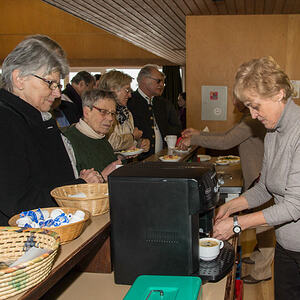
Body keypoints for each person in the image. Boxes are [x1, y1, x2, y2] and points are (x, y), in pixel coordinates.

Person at [212, 56, 300, 299]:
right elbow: (265, 188)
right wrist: (231, 207)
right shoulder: (273, 131)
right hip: (286, 244)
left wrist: (238, 224)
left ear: (279, 94)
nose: (252, 114)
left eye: (255, 105)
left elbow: (294, 205)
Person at [0, 36, 101, 225]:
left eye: (58, 85)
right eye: (50, 83)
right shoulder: (5, 120)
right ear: (19, 78)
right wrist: (79, 188)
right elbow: (18, 202)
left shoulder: (36, 116)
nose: (57, 94)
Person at [178, 97, 274, 283]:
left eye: (236, 98)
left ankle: (263, 270)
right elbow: (227, 135)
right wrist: (198, 133)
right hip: (256, 176)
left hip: (260, 177)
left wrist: (195, 138)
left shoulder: (250, 120)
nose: (233, 103)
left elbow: (225, 141)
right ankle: (258, 255)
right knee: (261, 224)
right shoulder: (248, 118)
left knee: (265, 226)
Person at [63, 89, 122, 182]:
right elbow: (65, 188)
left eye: (113, 113)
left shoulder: (101, 137)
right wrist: (102, 177)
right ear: (86, 112)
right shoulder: (67, 141)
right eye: (103, 111)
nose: (110, 118)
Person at [127, 64, 182, 159]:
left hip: (164, 158)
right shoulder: (129, 102)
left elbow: (176, 127)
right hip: (138, 160)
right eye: (158, 81)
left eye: (163, 82)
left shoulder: (165, 103)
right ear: (144, 80)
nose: (162, 85)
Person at [98, 70, 150, 153]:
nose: (129, 95)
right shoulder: (100, 113)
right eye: (127, 90)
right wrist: (133, 136)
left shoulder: (126, 113)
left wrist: (140, 143)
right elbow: (111, 143)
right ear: (113, 89)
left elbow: (129, 144)